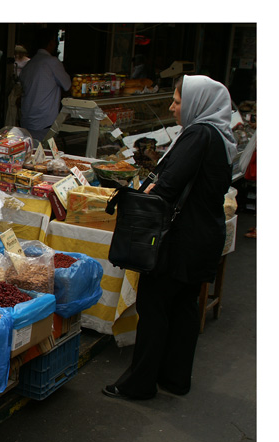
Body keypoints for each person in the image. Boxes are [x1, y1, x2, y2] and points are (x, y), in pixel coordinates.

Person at [103, 74, 237, 400]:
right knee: (183, 306)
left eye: (178, 101)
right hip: (204, 236)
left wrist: (150, 189)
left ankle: (139, 384)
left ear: (196, 104)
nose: (172, 106)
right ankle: (175, 379)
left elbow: (167, 185)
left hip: (180, 240)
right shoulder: (220, 136)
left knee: (154, 307)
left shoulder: (198, 135)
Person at [19, 29, 71, 141]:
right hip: (44, 121)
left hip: (27, 119)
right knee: (43, 152)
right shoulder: (52, 62)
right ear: (51, 43)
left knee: (29, 149)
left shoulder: (29, 65)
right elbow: (67, 86)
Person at [4, 45, 31, 127]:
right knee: (12, 103)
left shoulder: (28, 61)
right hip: (14, 85)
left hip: (23, 85)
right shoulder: (13, 60)